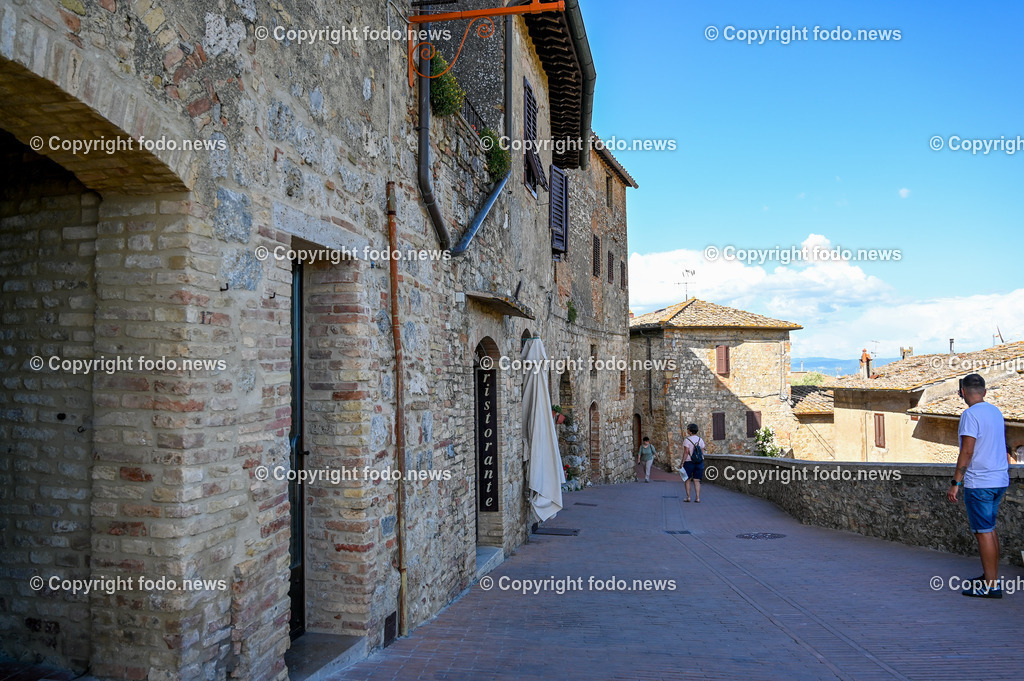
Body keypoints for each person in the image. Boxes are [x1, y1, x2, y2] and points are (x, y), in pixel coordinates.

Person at [946, 374, 1009, 598]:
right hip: (999, 480)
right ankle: (990, 576)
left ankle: (991, 587)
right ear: (984, 391)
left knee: (983, 532)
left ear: (962, 392)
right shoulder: (995, 412)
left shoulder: (969, 415)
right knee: (989, 530)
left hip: (980, 482)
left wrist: (956, 483)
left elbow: (967, 451)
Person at [682, 423, 706, 503]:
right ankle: (697, 498)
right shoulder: (700, 440)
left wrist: (682, 462)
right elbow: (702, 451)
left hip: (689, 462)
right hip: (699, 462)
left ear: (690, 431)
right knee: (697, 480)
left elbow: (686, 452)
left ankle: (688, 497)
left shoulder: (687, 440)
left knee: (687, 479)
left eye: (688, 429)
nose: (687, 430)